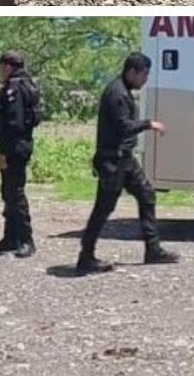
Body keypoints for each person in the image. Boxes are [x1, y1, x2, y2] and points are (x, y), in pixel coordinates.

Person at [76, 53, 180, 275]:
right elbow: (123, 126)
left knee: (147, 194)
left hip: (125, 159)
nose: (145, 80)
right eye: (144, 75)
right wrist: (149, 124)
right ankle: (85, 259)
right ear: (133, 71)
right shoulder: (116, 94)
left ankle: (153, 250)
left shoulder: (124, 91)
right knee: (103, 209)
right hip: (112, 161)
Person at [0, 51, 41, 258]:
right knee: (9, 192)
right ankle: (11, 237)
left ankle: (26, 239)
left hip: (14, 146)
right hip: (18, 144)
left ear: (9, 66)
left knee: (15, 193)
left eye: (1, 67)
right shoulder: (24, 84)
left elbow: (14, 124)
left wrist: (3, 150)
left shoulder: (15, 89)